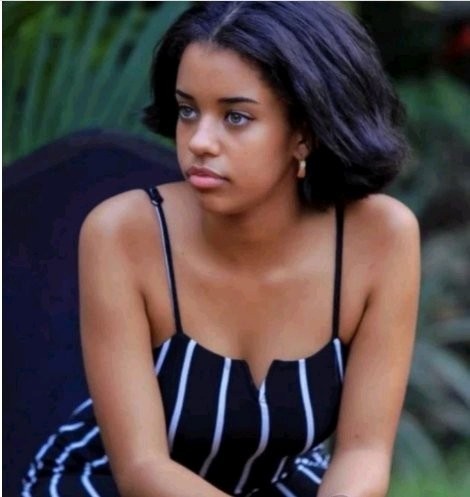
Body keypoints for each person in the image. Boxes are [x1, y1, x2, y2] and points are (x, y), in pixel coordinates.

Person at [21, 2, 421, 497]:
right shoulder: (121, 233)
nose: (199, 141)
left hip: (283, 485)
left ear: (304, 133)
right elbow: (142, 467)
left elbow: (364, 453)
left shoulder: (381, 238)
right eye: (188, 111)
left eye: (235, 116)